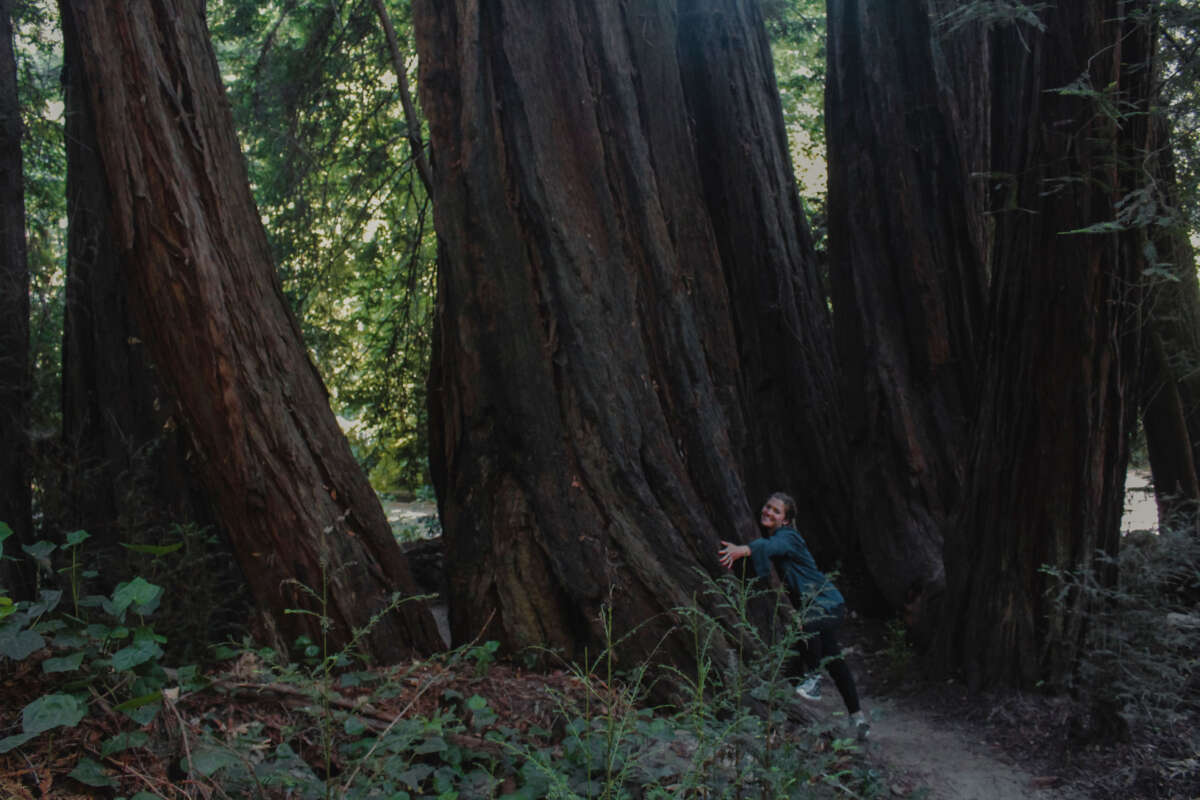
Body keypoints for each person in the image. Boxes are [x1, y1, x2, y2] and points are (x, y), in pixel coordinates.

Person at [718, 491, 869, 739]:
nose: (768, 512)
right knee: (834, 660)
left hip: (826, 603)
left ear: (786, 520)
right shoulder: (775, 538)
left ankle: (813, 680)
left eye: (776, 511)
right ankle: (858, 718)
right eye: (768, 507)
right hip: (815, 606)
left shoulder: (788, 537)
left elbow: (770, 547)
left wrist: (743, 549)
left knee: (804, 626)